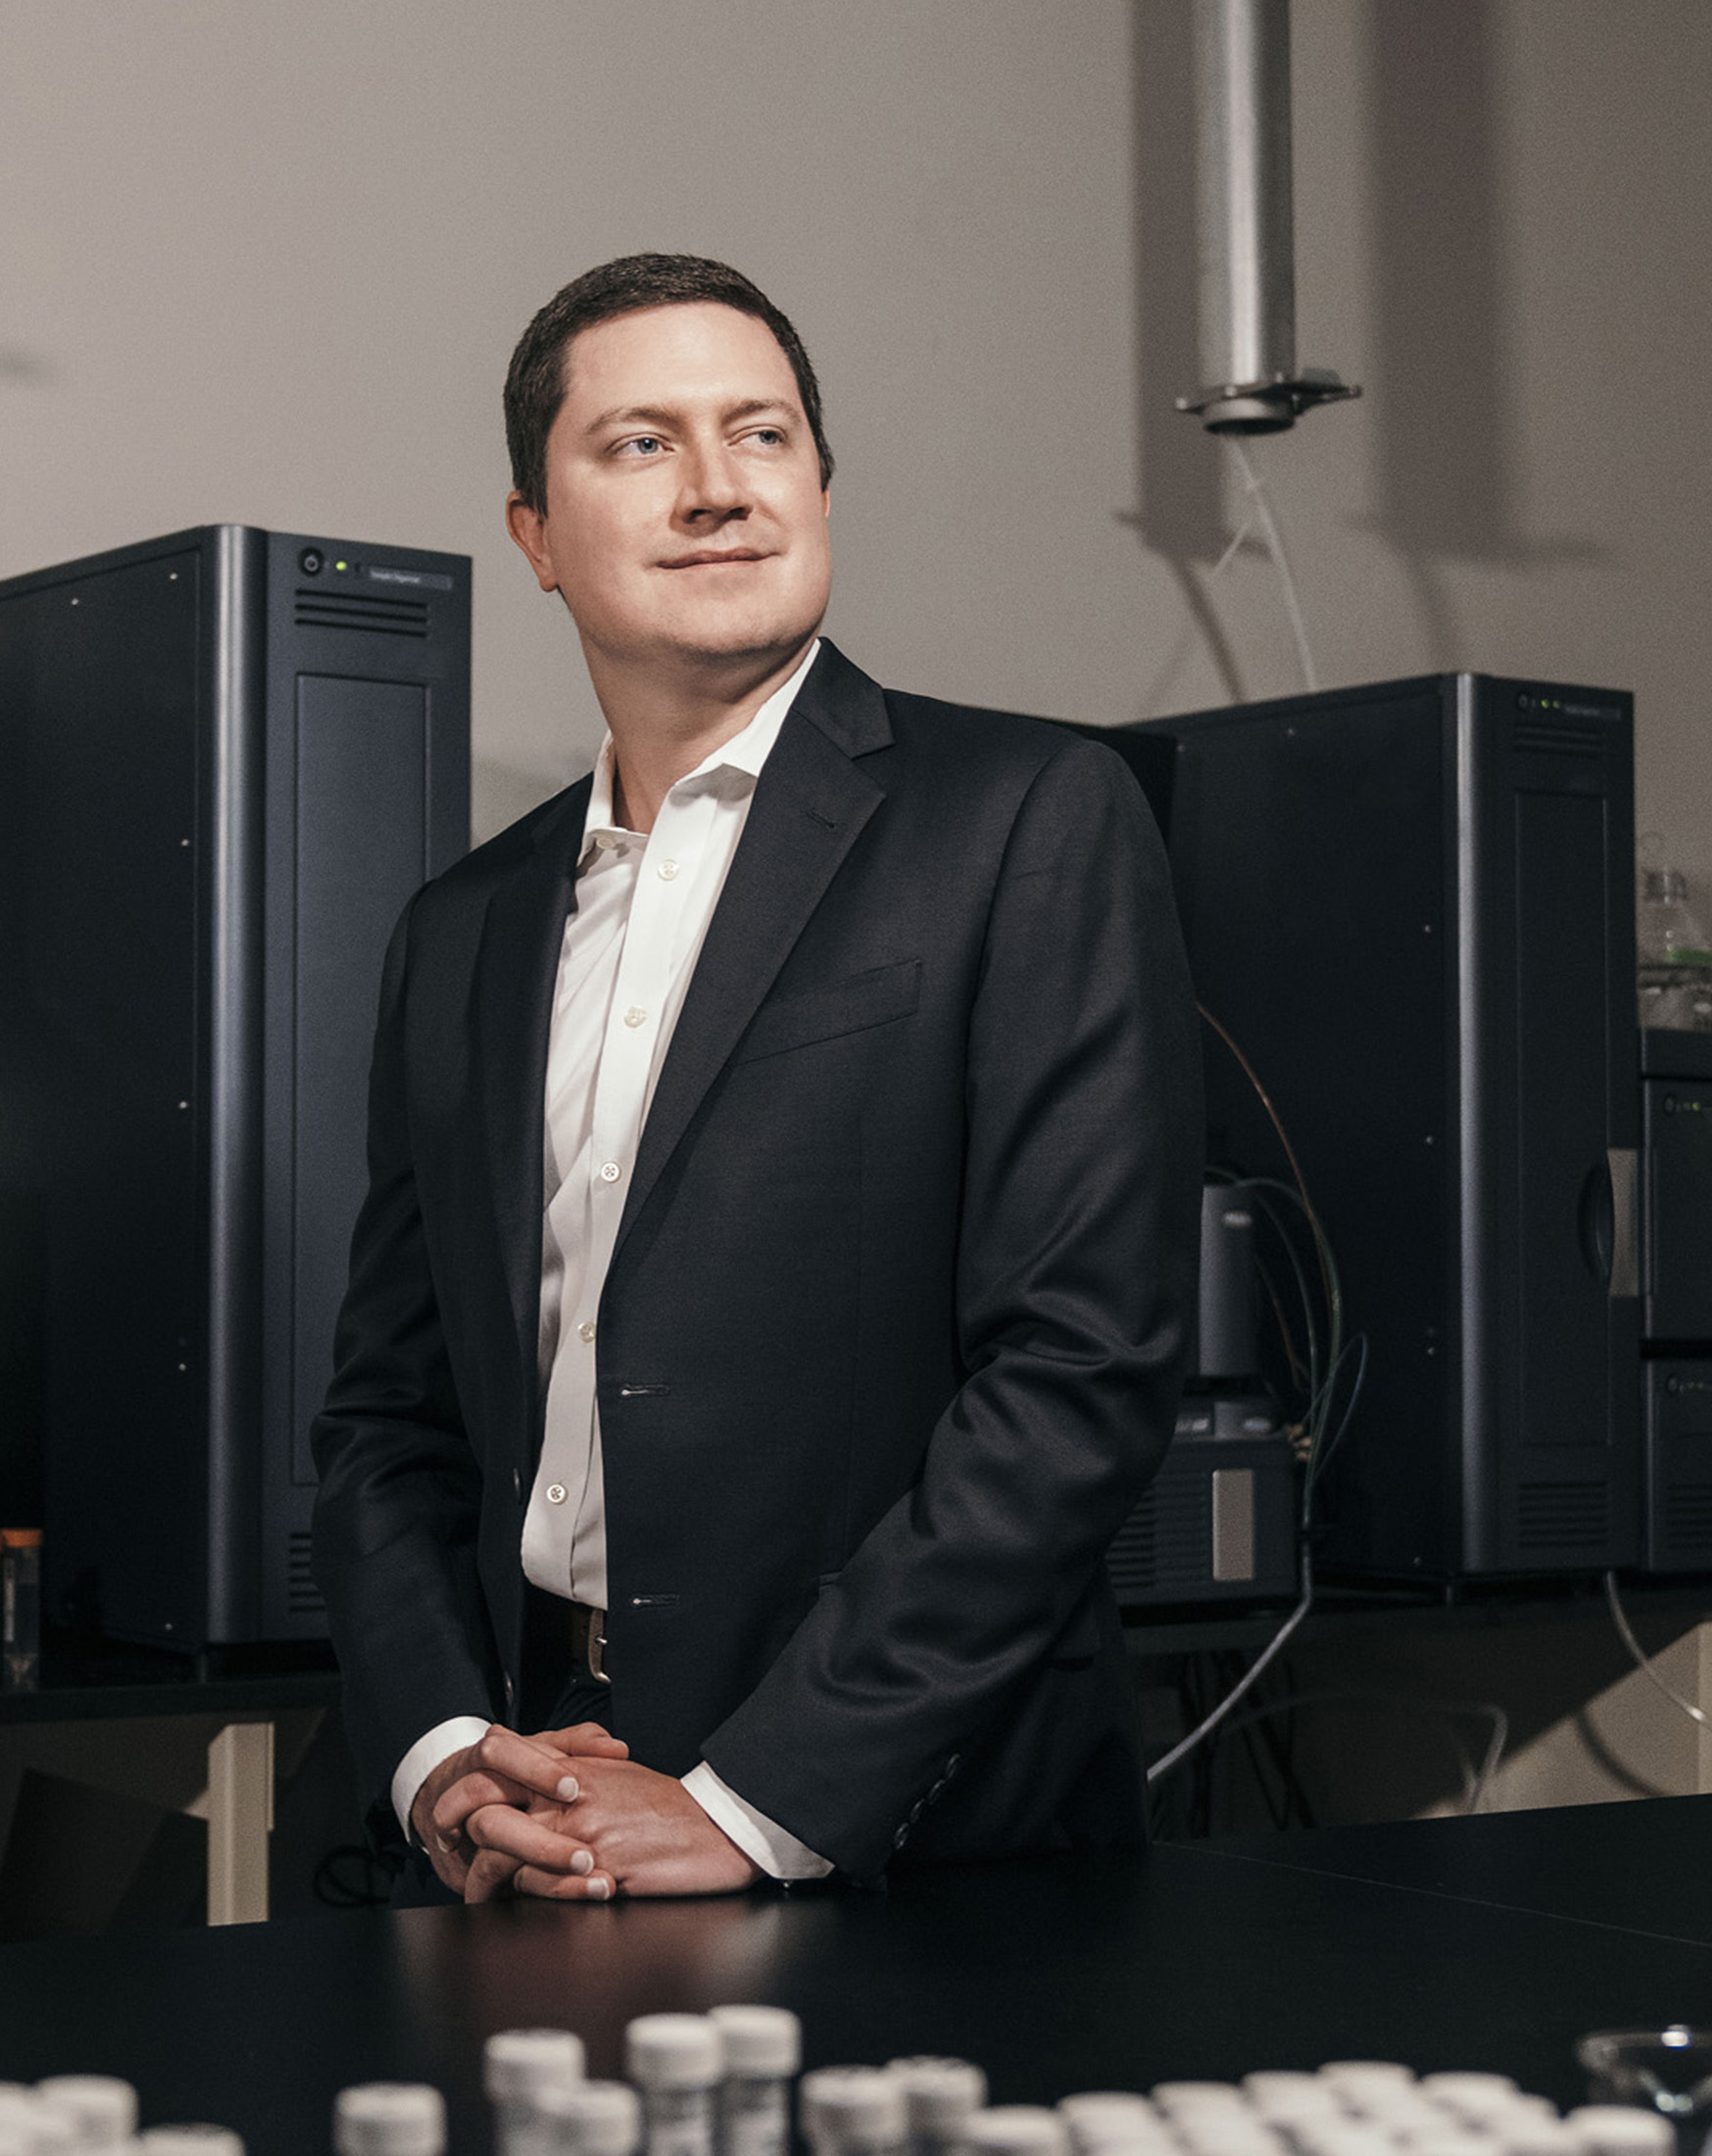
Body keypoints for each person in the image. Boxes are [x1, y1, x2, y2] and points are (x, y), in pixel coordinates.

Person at [310, 252, 1199, 1900]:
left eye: (764, 434)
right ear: (536, 538)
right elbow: (389, 1412)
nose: (719, 489)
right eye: (642, 445)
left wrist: (755, 1797)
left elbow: (1082, 1367)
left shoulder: (1024, 819)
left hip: (902, 1820)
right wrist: (442, 1748)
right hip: (530, 1795)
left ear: (820, 487)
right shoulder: (461, 930)